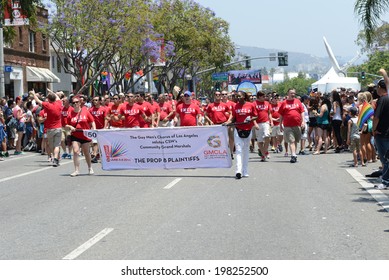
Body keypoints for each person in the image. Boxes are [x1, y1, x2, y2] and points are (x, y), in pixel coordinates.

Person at [226, 91, 259, 179]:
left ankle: (245, 170)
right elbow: (233, 118)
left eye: (240, 96)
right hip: (238, 130)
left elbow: (256, 116)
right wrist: (227, 122)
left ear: (244, 97)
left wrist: (250, 119)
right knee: (239, 151)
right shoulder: (235, 106)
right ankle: (238, 171)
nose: (238, 97)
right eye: (237, 96)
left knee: (246, 150)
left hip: (248, 130)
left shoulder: (250, 105)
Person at [66, 96, 96, 177]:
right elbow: (66, 124)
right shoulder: (70, 114)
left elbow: (92, 121)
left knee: (86, 152)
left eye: (77, 102)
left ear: (80, 103)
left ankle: (90, 167)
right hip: (75, 135)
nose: (75, 104)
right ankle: (76, 170)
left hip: (85, 135)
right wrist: (70, 127)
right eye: (73, 103)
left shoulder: (85, 111)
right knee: (76, 151)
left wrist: (94, 129)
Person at [33, 90, 63, 167]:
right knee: (57, 145)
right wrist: (52, 92)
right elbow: (58, 98)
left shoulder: (48, 105)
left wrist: (34, 94)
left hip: (50, 128)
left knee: (52, 145)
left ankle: (55, 158)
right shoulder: (59, 104)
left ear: (49, 99)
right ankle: (56, 159)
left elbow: (38, 101)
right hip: (58, 128)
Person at [279, 88, 305, 163]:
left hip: (297, 125)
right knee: (291, 140)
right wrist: (280, 124)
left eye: (294, 93)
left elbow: (302, 112)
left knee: (295, 141)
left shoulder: (298, 102)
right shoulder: (284, 103)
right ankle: (293, 155)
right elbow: (281, 115)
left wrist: (303, 121)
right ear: (288, 94)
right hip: (287, 125)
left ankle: (294, 154)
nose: (293, 94)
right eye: (291, 93)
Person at [372, 76, 389, 189]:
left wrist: (373, 129)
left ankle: (386, 180)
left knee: (385, 158)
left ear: (379, 87)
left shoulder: (382, 100)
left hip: (382, 133)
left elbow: (376, 117)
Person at [253, 91, 273, 161]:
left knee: (267, 136)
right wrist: (255, 124)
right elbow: (253, 116)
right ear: (259, 97)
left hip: (266, 122)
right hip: (258, 123)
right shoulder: (254, 104)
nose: (265, 98)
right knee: (260, 140)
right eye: (263, 96)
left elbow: (269, 113)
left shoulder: (267, 103)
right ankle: (263, 155)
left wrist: (271, 121)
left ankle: (265, 150)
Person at [89, 96, 107, 163]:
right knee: (95, 142)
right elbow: (89, 120)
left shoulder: (103, 109)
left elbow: (105, 119)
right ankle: (94, 155)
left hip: (102, 129)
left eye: (96, 100)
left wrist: (105, 127)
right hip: (94, 129)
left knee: (101, 143)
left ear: (100, 101)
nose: (95, 101)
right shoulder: (91, 110)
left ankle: (99, 155)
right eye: (94, 100)